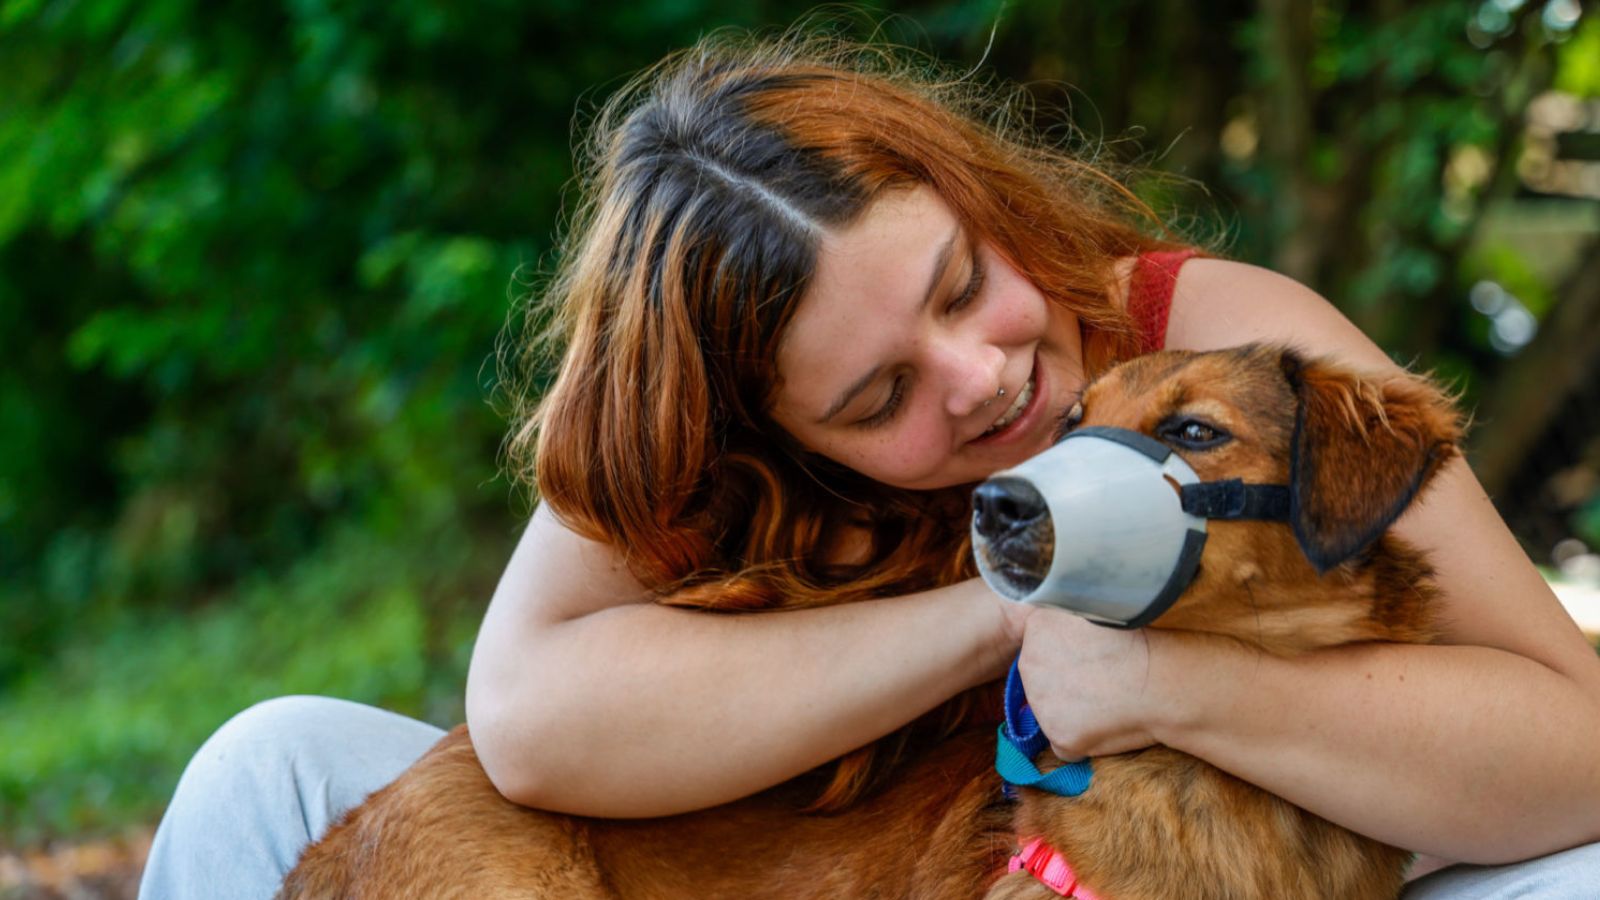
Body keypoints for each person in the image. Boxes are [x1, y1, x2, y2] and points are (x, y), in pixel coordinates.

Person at [138, 31, 1600, 899]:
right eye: (879, 393)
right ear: (766, 433)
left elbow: (1578, 744)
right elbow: (526, 717)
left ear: (975, 193)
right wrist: (1006, 605)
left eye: (965, 282)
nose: (986, 377)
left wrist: (1167, 680)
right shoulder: (694, 442)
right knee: (264, 769)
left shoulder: (1215, 347)